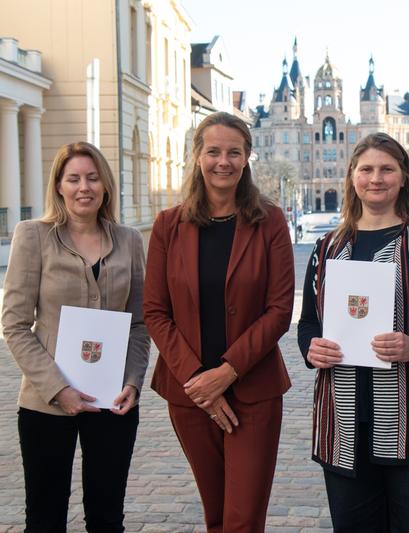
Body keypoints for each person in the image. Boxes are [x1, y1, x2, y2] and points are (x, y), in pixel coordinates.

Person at [297, 132, 409, 532]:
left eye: (386, 169)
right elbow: (309, 321)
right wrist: (312, 348)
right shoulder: (328, 246)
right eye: (366, 169)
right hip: (344, 426)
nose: (375, 178)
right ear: (352, 177)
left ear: (403, 178)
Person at [143, 112, 294, 532]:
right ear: (197, 156)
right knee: (216, 514)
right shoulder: (167, 226)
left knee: (242, 519)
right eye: (213, 151)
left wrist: (225, 373)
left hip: (254, 391)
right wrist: (200, 381)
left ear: (247, 159)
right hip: (189, 395)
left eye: (234, 152)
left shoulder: (270, 222)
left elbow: (280, 309)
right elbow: (155, 311)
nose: (222, 161)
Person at [2, 141, 150, 531]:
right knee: (45, 519)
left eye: (92, 177)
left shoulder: (130, 240)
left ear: (105, 186)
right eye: (74, 179)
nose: (83, 187)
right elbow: (15, 325)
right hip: (46, 404)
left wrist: (134, 382)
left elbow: (139, 322)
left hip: (113, 402)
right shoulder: (33, 236)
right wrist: (59, 389)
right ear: (59, 187)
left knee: (106, 519)